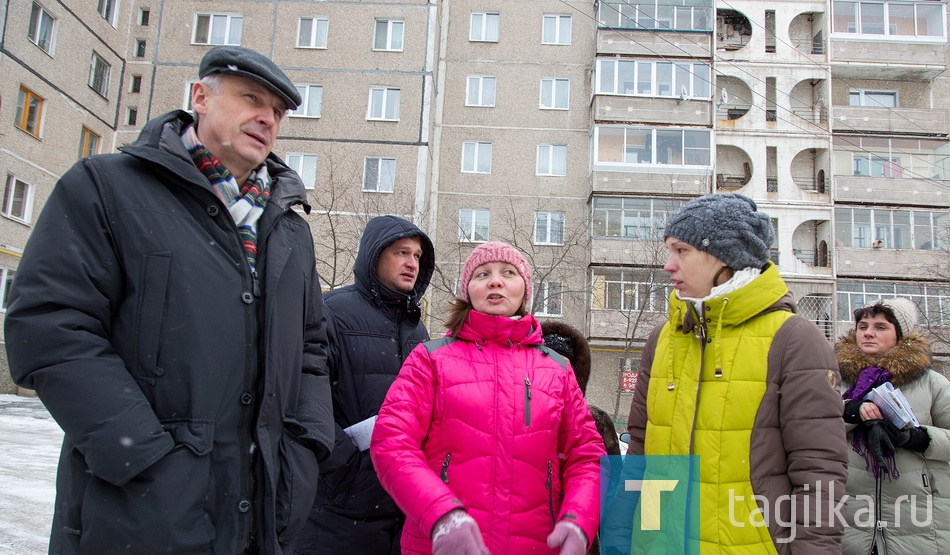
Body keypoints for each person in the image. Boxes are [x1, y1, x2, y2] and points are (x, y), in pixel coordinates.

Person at [4, 46, 334, 554]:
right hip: (134, 512)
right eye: (251, 99)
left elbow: (312, 348)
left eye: (278, 111)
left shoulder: (288, 229)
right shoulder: (106, 188)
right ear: (200, 97)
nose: (266, 118)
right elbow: (51, 324)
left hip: (261, 511)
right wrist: (144, 457)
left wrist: (304, 449)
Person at [621, 193, 848, 552]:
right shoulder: (662, 338)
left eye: (681, 251)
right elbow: (640, 450)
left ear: (725, 257)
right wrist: (624, 537)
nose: (668, 264)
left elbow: (819, 473)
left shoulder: (793, 339)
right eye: (669, 251)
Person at [370, 242, 605, 554]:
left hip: (538, 546)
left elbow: (586, 457)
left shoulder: (557, 369)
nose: (495, 281)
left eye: (508, 273)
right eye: (482, 274)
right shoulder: (430, 359)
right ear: (468, 291)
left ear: (525, 290)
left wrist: (580, 519)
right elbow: (392, 443)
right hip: (440, 544)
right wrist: (441, 514)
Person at [296, 215, 434, 554]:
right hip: (337, 509)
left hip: (401, 503)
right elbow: (301, 396)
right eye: (402, 253)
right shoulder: (331, 312)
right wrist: (346, 471)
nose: (411, 263)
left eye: (417, 256)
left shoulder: (418, 329)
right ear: (374, 256)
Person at [838, 298, 950, 554]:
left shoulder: (931, 383)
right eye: (862, 326)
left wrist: (919, 438)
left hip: (918, 520)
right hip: (851, 518)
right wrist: (849, 412)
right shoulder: (836, 381)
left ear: (900, 335)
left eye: (880, 327)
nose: (867, 332)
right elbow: (809, 433)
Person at [540, 320, 620, 555]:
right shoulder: (522, 413)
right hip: (532, 526)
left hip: (579, 530)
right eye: (548, 362)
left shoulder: (595, 418)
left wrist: (583, 505)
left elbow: (611, 477)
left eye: (564, 365)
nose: (557, 372)